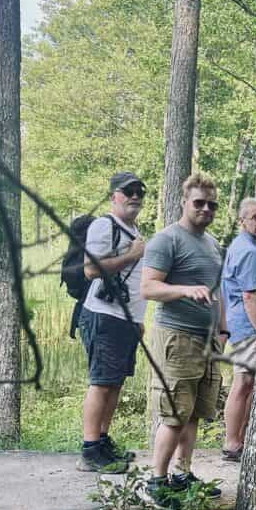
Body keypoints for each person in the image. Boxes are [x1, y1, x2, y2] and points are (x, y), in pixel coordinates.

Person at [140, 171, 226, 506]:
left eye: (211, 205)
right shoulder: (167, 239)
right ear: (184, 202)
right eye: (199, 203)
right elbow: (148, 288)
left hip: (207, 341)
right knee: (175, 413)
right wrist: (183, 290)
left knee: (193, 413)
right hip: (176, 337)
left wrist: (222, 330)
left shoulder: (213, 242)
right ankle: (156, 479)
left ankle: (182, 473)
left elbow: (217, 291)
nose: (206, 209)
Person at [77, 171, 147, 473]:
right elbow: (90, 270)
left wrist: (139, 320)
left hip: (126, 320)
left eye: (139, 192)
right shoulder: (104, 226)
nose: (134, 196)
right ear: (114, 196)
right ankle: (90, 450)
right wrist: (131, 256)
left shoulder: (133, 230)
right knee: (101, 382)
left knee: (115, 383)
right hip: (103, 316)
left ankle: (103, 442)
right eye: (128, 191)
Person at [220, 197, 256, 462]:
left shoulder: (244, 245)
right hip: (246, 325)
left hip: (239, 322)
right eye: (255, 218)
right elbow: (250, 296)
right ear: (242, 221)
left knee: (246, 381)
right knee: (244, 382)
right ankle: (233, 442)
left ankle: (238, 439)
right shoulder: (248, 250)